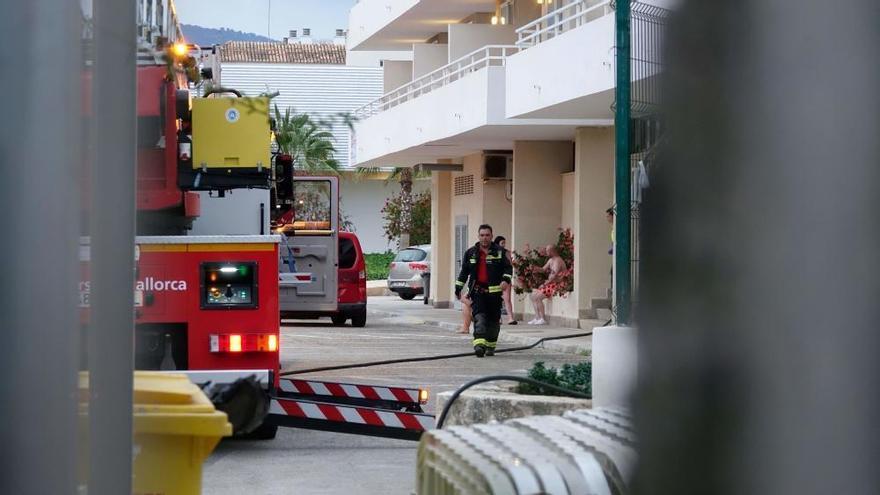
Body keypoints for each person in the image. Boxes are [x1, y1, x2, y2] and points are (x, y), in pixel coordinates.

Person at [455, 224, 513, 357]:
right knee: (479, 317)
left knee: (493, 321)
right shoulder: (471, 253)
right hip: (478, 291)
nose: (484, 238)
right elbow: (464, 272)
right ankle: (479, 345)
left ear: (492, 236)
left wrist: (505, 280)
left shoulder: (500, 252)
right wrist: (458, 287)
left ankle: (490, 346)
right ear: (478, 236)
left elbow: (508, 269)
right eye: (482, 235)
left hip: (494, 293)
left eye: (487, 235)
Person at [528, 244, 566, 325]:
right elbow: (543, 269)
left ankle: (542, 319)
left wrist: (545, 284)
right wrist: (535, 268)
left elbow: (554, 276)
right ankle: (537, 317)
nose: (546, 252)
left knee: (537, 297)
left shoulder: (558, 261)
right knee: (533, 296)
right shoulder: (551, 260)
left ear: (553, 251)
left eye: (548, 251)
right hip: (551, 283)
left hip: (556, 284)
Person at [494, 235, 517, 325]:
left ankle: (511, 318)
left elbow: (510, 265)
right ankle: (498, 318)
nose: (503, 245)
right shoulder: (492, 252)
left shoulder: (507, 252)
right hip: (495, 278)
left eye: (504, 243)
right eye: (502, 243)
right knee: (496, 299)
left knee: (507, 299)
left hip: (505, 278)